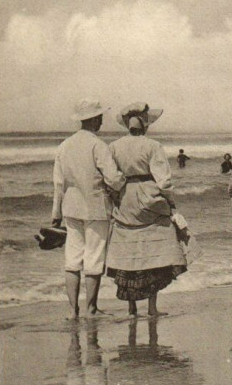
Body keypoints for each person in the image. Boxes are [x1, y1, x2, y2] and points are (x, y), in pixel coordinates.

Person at [106, 103, 187, 317]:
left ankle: (132, 309)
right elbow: (164, 181)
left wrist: (115, 198)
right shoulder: (152, 145)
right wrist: (171, 203)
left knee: (129, 251)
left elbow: (110, 178)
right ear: (145, 125)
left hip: (125, 197)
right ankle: (152, 308)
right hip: (148, 196)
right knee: (155, 251)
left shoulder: (113, 146)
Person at [52, 99, 126, 319]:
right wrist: (122, 183)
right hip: (95, 207)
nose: (102, 121)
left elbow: (58, 183)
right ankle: (91, 309)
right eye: (100, 117)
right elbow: (113, 178)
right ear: (94, 119)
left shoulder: (64, 145)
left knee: (72, 259)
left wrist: (55, 215)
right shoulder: (98, 145)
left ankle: (72, 311)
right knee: (94, 259)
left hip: (70, 208)